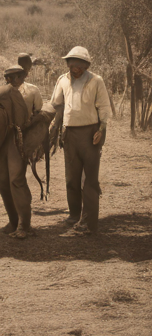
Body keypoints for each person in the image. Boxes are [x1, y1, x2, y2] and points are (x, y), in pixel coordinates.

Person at [50, 46, 111, 235]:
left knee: (90, 181)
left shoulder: (96, 81)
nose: (75, 67)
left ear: (85, 65)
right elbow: (56, 105)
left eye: (79, 64)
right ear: (68, 63)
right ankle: (74, 215)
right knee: (71, 178)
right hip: (69, 135)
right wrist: (54, 128)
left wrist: (101, 129)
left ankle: (89, 223)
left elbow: (104, 108)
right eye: (72, 63)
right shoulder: (62, 80)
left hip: (90, 134)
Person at [0, 65, 36, 238]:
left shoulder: (32, 91)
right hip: (0, 139)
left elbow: (37, 113)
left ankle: (25, 225)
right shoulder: (1, 92)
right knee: (2, 182)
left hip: (19, 139)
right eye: (8, 77)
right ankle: (13, 221)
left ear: (22, 77)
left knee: (16, 180)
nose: (11, 80)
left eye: (14, 77)